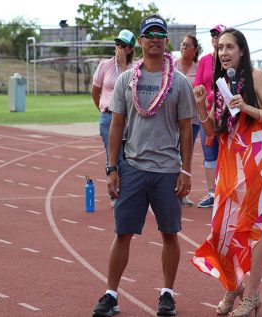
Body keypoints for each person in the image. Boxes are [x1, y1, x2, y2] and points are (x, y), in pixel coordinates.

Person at [92, 14, 196, 317]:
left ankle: (167, 294)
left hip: (166, 170)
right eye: (148, 34)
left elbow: (187, 130)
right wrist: (112, 168)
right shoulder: (126, 79)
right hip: (133, 167)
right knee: (122, 233)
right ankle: (111, 294)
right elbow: (116, 125)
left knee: (169, 233)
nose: (154, 38)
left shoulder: (178, 82)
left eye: (159, 34)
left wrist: (186, 170)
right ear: (140, 41)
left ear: (166, 42)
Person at [191, 28, 262, 317]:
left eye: (230, 47)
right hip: (229, 161)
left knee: (254, 228)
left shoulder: (256, 78)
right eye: (221, 48)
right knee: (220, 230)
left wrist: (247, 106)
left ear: (242, 50)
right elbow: (213, 133)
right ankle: (233, 285)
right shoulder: (219, 85)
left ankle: (251, 296)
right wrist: (200, 106)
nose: (224, 53)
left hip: (256, 157)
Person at [91, 29, 136, 167]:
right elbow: (95, 91)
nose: (119, 48)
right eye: (117, 44)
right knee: (111, 158)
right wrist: (104, 108)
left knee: (128, 158)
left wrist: (123, 66)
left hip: (128, 118)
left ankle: (127, 188)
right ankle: (113, 187)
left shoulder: (135, 68)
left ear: (130, 49)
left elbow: (133, 91)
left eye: (123, 45)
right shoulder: (105, 65)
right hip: (108, 117)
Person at [194, 24, 226, 208]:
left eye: (219, 34)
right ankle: (212, 193)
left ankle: (226, 191)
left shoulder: (228, 59)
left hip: (225, 113)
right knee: (209, 155)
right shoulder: (205, 60)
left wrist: (217, 97)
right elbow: (198, 84)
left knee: (226, 153)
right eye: (213, 34)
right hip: (207, 113)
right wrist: (206, 98)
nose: (215, 37)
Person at [174, 34, 200, 207]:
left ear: (194, 50)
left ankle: (183, 192)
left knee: (186, 155)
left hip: (192, 118)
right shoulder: (172, 65)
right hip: (173, 118)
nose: (184, 47)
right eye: (183, 44)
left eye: (187, 45)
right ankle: (170, 190)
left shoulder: (198, 69)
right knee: (173, 153)